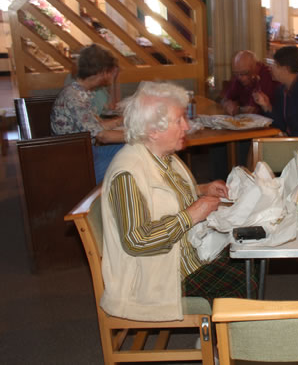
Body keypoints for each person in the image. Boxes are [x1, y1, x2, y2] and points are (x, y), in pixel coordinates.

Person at [100, 81, 254, 321]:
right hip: (159, 281)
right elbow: (136, 241)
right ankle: (225, 345)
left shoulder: (160, 156)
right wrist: (192, 214)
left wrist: (201, 190)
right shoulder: (128, 173)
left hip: (184, 260)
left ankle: (225, 337)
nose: (187, 126)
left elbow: (161, 196)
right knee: (243, 273)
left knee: (248, 250)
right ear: (153, 130)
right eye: (179, 120)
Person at [50, 44, 124, 184]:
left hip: (88, 153)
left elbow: (96, 126)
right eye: (109, 71)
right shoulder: (75, 98)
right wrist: (139, 134)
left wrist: (122, 120)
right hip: (77, 164)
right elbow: (103, 136)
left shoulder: (79, 92)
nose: (111, 75)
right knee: (134, 159)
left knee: (133, 149)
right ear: (101, 72)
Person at [253, 45, 298, 136]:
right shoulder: (281, 90)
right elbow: (281, 124)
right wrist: (266, 106)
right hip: (291, 141)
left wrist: (290, 138)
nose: (270, 68)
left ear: (286, 68)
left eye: (275, 65)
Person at [222, 50, 279, 116]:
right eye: (236, 74)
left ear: (257, 65)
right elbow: (225, 98)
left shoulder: (267, 76)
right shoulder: (239, 74)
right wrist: (226, 104)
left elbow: (252, 110)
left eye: (245, 73)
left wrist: (238, 109)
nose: (240, 78)